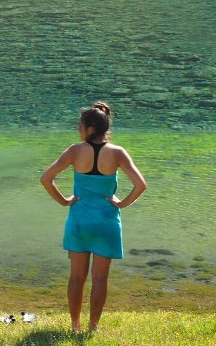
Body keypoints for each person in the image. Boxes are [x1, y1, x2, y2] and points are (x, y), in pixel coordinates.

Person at [39, 102, 146, 333]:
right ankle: (93, 326)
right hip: (107, 220)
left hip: (80, 219)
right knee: (100, 279)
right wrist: (122, 203)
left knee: (76, 278)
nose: (78, 129)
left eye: (80, 125)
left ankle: (75, 326)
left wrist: (64, 201)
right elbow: (140, 185)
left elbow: (46, 178)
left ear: (90, 128)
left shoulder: (75, 151)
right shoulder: (118, 153)